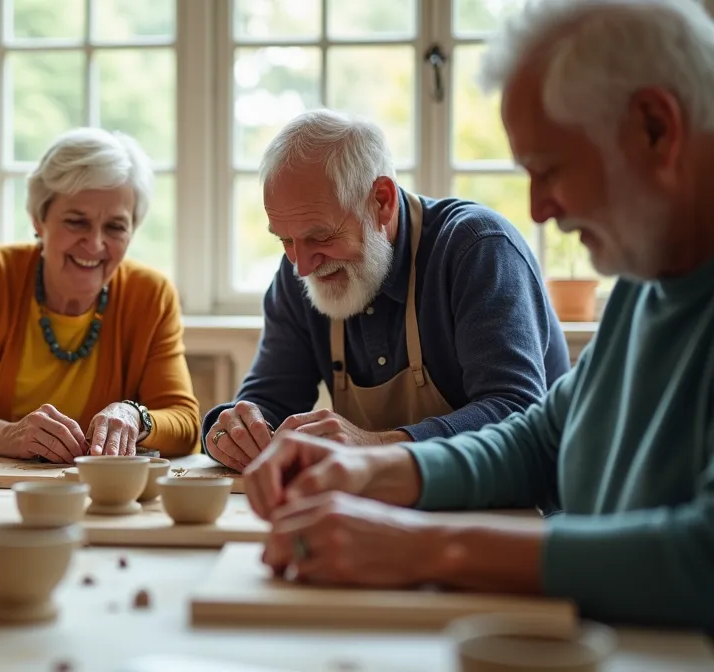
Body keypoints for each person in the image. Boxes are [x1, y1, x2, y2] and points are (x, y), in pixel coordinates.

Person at [243, 0, 714, 631]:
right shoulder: (648, 279)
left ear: (655, 127)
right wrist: (368, 469)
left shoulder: (482, 247)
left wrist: (426, 547)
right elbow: (541, 439)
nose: (539, 209)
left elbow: (700, 556)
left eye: (548, 170)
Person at [202, 109, 570, 472]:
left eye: (321, 236)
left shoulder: (476, 248)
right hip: (388, 506)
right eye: (285, 240)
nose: (301, 265)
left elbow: (515, 410)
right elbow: (269, 399)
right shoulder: (301, 269)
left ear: (381, 200)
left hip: (520, 503)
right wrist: (231, 431)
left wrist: (376, 446)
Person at [0, 128, 200, 462]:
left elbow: (185, 424)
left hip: (100, 496)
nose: (95, 244)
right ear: (39, 220)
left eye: (115, 227)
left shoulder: (150, 296)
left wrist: (135, 415)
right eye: (76, 222)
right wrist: (4, 434)